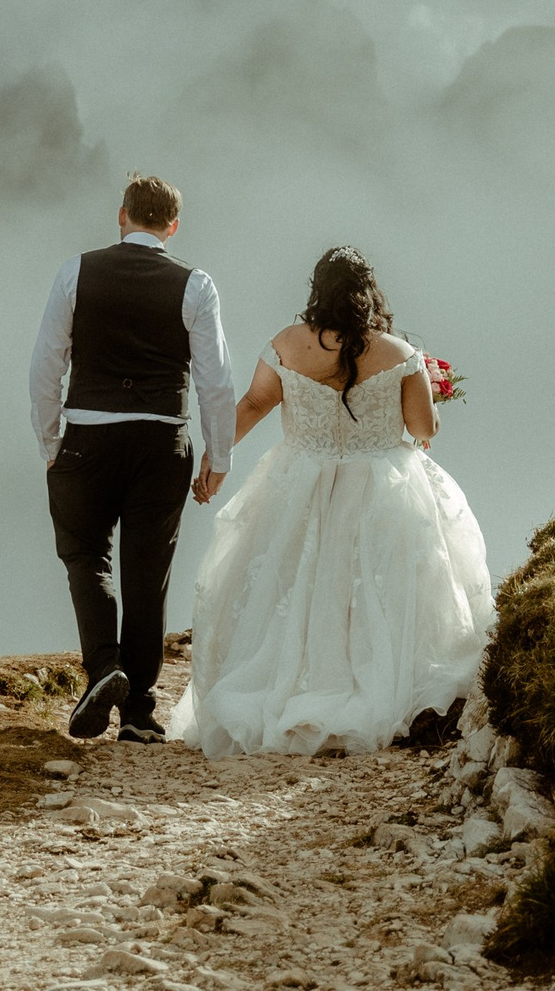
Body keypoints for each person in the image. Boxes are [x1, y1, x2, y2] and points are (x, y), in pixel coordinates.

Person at [173, 245, 493, 758]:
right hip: (384, 485)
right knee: (375, 589)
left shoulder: (286, 344)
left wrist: (215, 459)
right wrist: (430, 394)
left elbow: (254, 403)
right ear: (368, 294)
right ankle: (380, 691)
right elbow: (421, 428)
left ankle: (294, 685)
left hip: (298, 478)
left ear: (316, 290)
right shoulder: (397, 353)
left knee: (296, 585)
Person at [29, 174, 236, 742]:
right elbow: (215, 382)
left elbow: (47, 366)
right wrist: (219, 460)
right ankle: (139, 711)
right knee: (148, 570)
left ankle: (105, 668)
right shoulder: (196, 285)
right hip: (160, 440)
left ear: (121, 216)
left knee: (85, 556)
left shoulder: (76, 271)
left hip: (86, 437)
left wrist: (52, 445)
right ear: (172, 226)